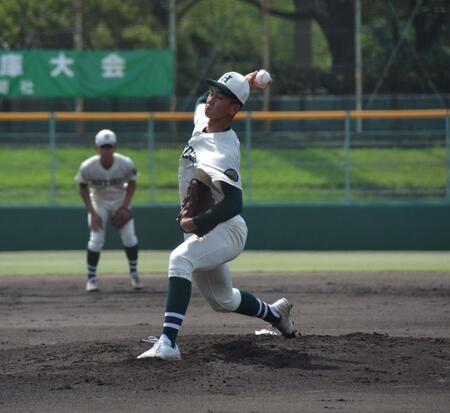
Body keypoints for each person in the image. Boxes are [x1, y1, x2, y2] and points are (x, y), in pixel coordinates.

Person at [137, 70, 297, 361]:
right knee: (223, 300)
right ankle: (276, 314)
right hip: (204, 229)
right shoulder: (205, 121)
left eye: (220, 97)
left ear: (234, 109)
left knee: (179, 259)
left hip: (226, 229)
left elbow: (234, 203)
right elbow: (200, 100)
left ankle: (168, 343)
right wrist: (245, 81)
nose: (210, 99)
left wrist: (196, 222)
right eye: (212, 93)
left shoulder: (221, 151)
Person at [75, 129, 143, 292]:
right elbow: (83, 188)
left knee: (130, 238)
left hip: (120, 201)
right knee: (96, 240)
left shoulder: (125, 163)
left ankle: (134, 275)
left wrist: (126, 206)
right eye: (103, 147)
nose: (106, 150)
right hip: (99, 203)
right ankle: (91, 279)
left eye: (109, 146)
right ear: (97, 148)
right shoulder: (88, 166)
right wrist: (92, 212)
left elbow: (132, 182)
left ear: (115, 148)